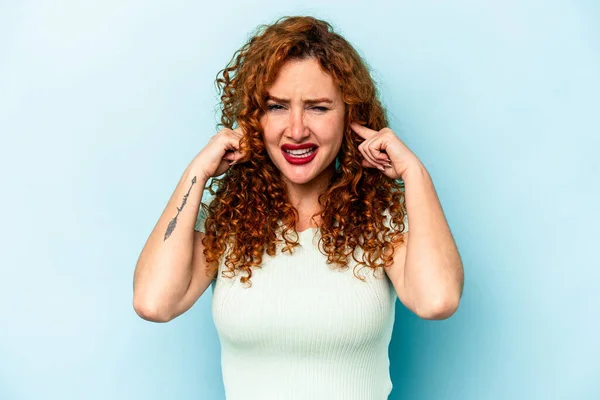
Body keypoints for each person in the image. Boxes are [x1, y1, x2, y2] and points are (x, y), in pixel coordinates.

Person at [133, 15, 464, 400]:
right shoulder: (224, 224)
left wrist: (414, 174)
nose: (295, 130)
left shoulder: (381, 222)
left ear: (349, 117)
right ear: (254, 118)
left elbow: (438, 300)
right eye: (276, 106)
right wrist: (198, 171)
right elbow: (153, 303)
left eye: (318, 108)